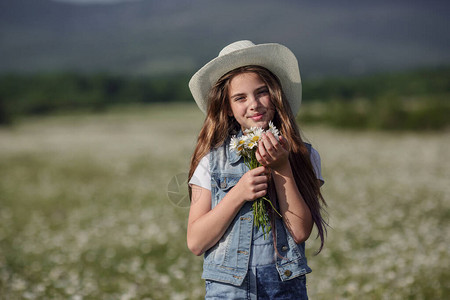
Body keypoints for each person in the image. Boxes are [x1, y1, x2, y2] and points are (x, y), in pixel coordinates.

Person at [187, 40, 327, 299]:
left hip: (283, 289)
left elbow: (299, 231)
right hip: (228, 291)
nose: (254, 104)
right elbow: (196, 242)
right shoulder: (211, 163)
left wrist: (282, 167)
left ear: (275, 96)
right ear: (228, 108)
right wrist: (238, 193)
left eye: (261, 92)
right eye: (240, 98)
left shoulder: (302, 156)